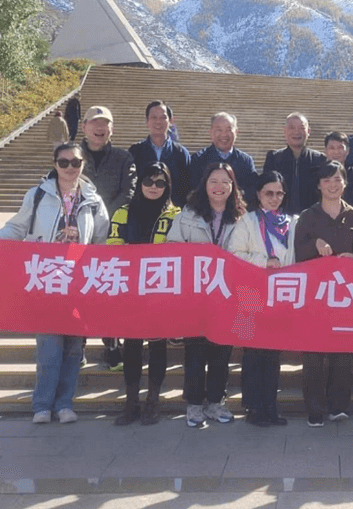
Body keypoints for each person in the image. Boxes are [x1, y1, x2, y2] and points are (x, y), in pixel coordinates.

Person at [0, 142, 109, 424]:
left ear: (83, 164)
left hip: (78, 282)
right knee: (49, 347)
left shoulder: (93, 200)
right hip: (47, 281)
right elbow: (16, 229)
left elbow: (101, 240)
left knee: (73, 348)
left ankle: (64, 404)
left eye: (76, 162)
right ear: (55, 164)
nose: (70, 168)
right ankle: (42, 405)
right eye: (64, 162)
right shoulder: (38, 195)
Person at [167, 162, 247, 428]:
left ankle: (215, 402)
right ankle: (194, 404)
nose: (219, 187)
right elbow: (173, 248)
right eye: (214, 181)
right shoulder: (187, 215)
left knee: (221, 354)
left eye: (225, 181)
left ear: (233, 186)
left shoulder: (242, 218)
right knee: (195, 353)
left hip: (226, 296)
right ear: (205, 184)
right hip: (196, 297)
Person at [293, 161, 353, 427]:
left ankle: (338, 406)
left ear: (345, 183)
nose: (332, 185)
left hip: (345, 296)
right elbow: (298, 252)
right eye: (327, 180)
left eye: (337, 179)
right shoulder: (308, 216)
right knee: (313, 354)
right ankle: (314, 408)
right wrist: (315, 243)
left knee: (341, 353)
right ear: (319, 185)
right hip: (315, 296)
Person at [107, 162, 180, 426]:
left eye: (160, 183)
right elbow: (113, 248)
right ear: (139, 183)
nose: (153, 187)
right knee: (132, 347)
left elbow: (180, 251)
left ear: (167, 187)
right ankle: (131, 402)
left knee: (158, 347)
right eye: (148, 181)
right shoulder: (122, 213)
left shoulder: (177, 215)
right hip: (130, 289)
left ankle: (153, 401)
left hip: (161, 290)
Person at [229, 170, 296, 427]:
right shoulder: (247, 221)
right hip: (251, 292)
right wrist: (264, 261)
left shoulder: (291, 222)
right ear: (258, 194)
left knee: (273, 353)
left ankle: (270, 405)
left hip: (279, 294)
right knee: (253, 352)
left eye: (279, 193)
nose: (274, 198)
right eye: (269, 193)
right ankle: (253, 406)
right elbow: (234, 254)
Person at [80, 105, 136, 371]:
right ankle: (77, 344)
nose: (100, 128)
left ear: (111, 129)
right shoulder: (72, 156)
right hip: (79, 235)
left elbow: (129, 191)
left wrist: (103, 217)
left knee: (110, 290)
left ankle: (111, 344)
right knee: (79, 289)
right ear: (84, 127)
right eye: (94, 123)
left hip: (113, 236)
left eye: (105, 123)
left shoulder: (124, 157)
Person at [128, 100, 191, 207]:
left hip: (172, 212)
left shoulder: (181, 153)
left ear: (170, 121)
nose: (158, 121)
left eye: (163, 117)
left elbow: (186, 187)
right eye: (154, 117)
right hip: (141, 210)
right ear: (147, 122)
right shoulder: (135, 151)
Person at [263, 113, 327, 215]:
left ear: (309, 131)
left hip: (312, 218)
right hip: (280, 218)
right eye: (292, 128)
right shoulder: (274, 158)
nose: (296, 132)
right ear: (284, 131)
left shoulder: (319, 160)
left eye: (301, 128)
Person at [189, 112, 258, 205]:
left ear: (236, 132)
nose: (224, 134)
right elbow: (194, 191)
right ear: (211, 132)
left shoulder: (246, 161)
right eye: (219, 130)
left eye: (229, 129)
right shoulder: (198, 159)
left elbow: (251, 192)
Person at [324, 131, 353, 212]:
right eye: (332, 148)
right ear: (326, 150)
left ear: (347, 151)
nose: (336, 152)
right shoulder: (317, 176)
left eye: (340, 148)